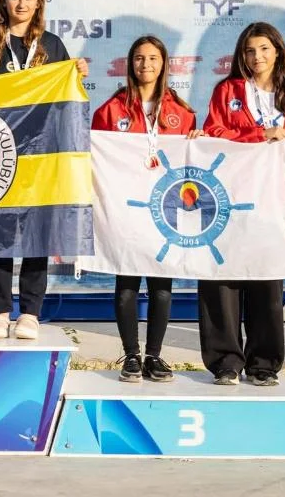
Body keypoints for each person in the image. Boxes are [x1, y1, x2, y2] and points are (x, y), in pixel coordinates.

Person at [0, 0, 88, 340]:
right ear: (4, 1)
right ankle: (0, 312)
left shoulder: (52, 46)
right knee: (0, 235)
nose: (21, 4)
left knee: (38, 233)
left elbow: (65, 103)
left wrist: (76, 75)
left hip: (42, 157)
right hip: (0, 154)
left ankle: (30, 313)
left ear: (39, 3)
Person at [200, 21, 285, 386]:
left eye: (264, 49)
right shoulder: (228, 91)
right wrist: (258, 134)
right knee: (222, 282)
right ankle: (225, 362)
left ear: (278, 52)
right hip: (227, 201)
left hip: (272, 205)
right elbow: (213, 134)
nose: (257, 57)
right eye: (250, 51)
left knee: (266, 283)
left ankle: (263, 364)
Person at [91, 35, 202, 383]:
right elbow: (96, 157)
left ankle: (154, 355)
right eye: (139, 58)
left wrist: (197, 143)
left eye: (153, 58)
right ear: (131, 63)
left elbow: (191, 164)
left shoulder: (181, 113)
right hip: (124, 210)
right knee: (126, 281)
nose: (146, 64)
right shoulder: (110, 111)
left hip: (163, 209)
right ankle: (131, 355)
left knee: (161, 283)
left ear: (164, 63)